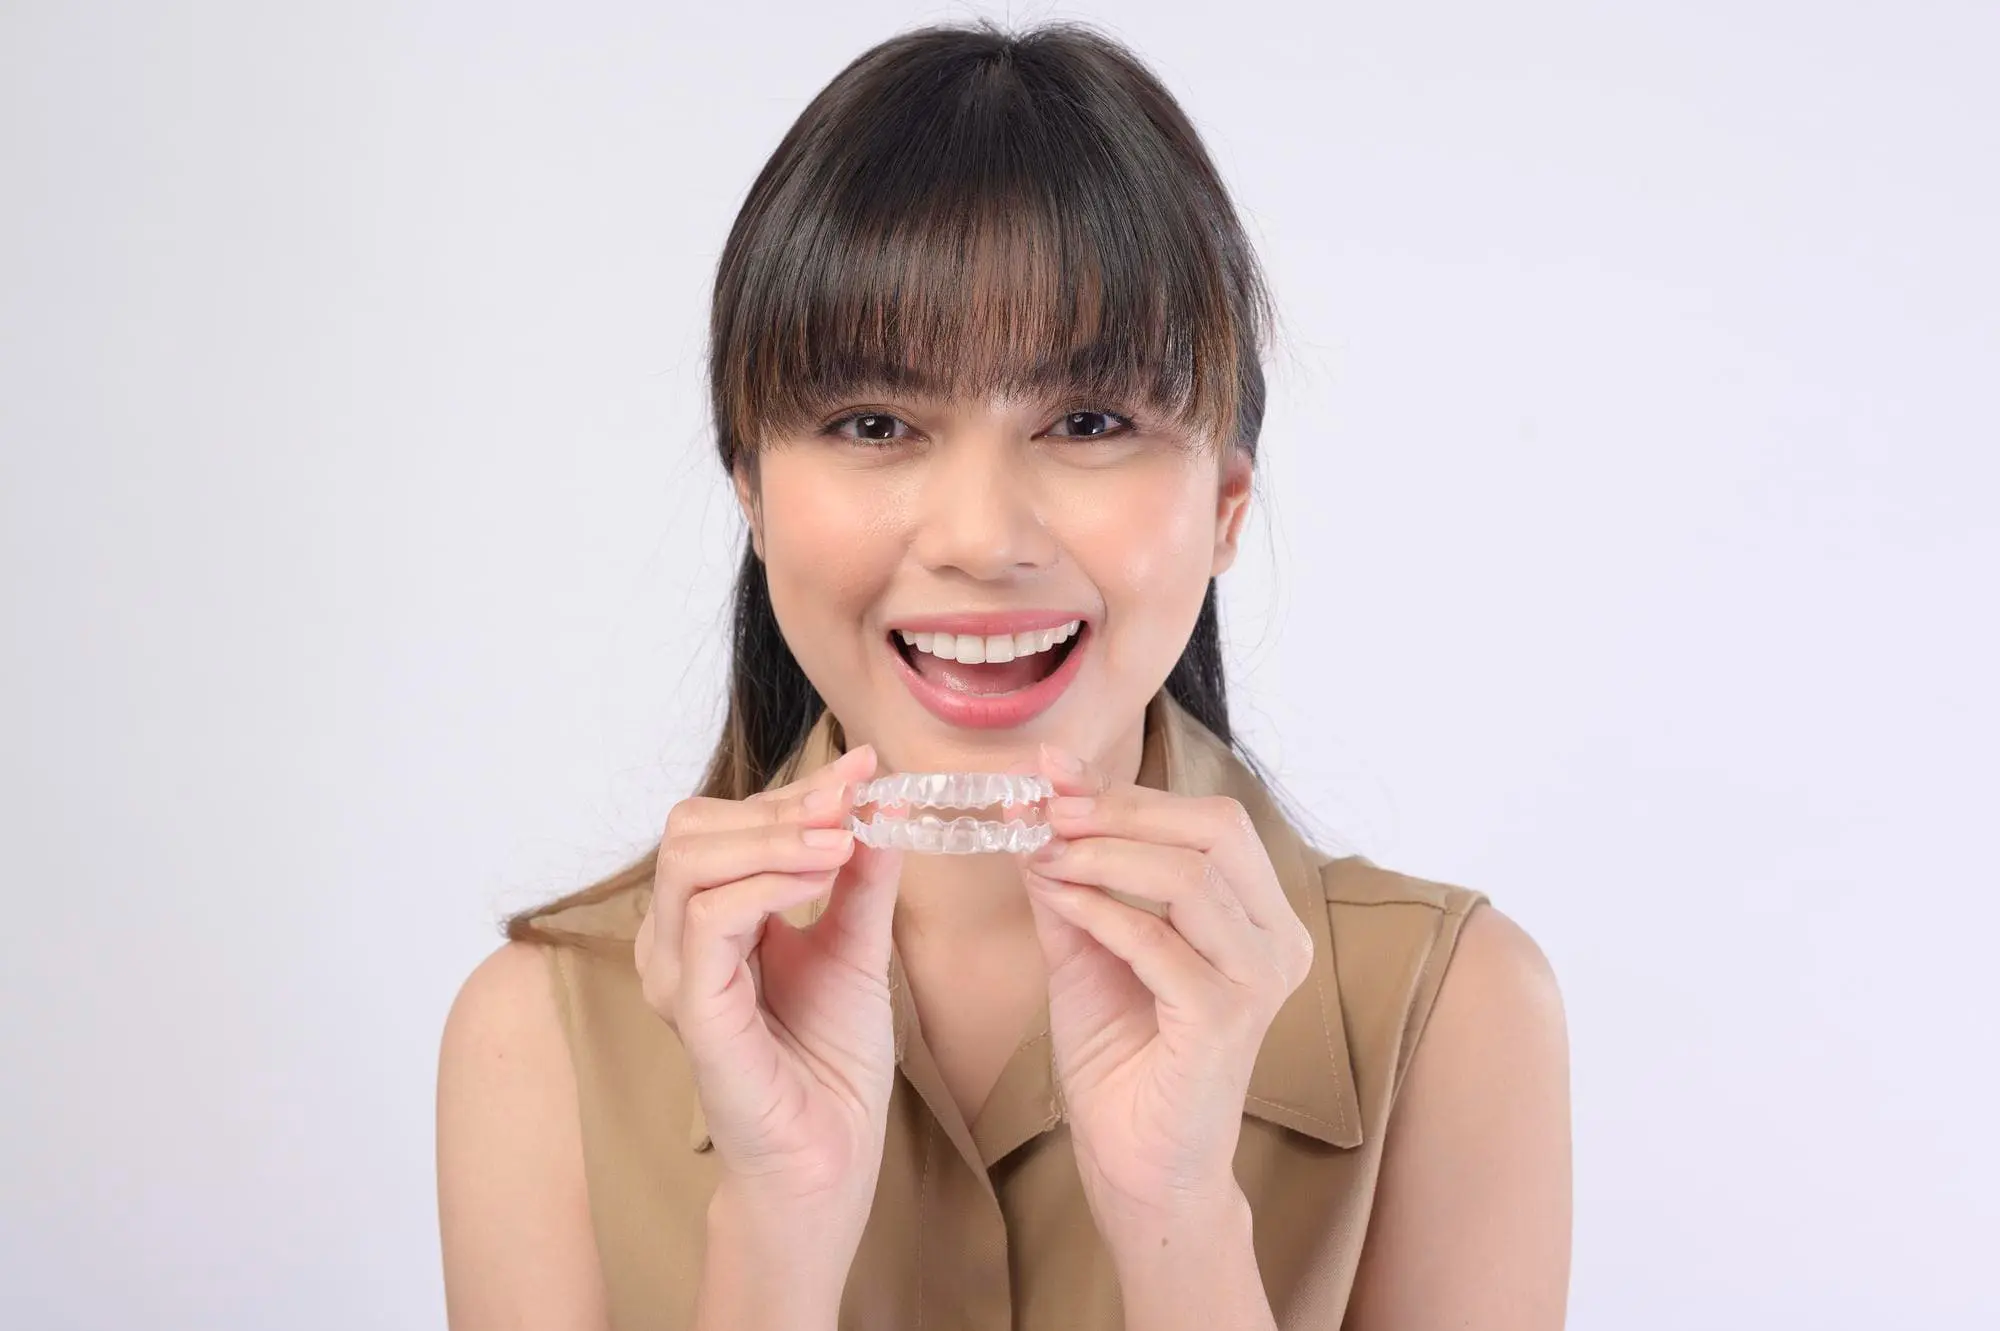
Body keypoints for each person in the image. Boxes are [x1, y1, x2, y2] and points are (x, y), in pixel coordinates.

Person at [436, 19, 1571, 1331]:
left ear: (1226, 502)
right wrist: (776, 1230)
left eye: (1087, 422)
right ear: (749, 488)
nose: (980, 538)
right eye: (874, 423)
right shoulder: (541, 1038)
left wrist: (1179, 1219)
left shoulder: (1459, 1016)